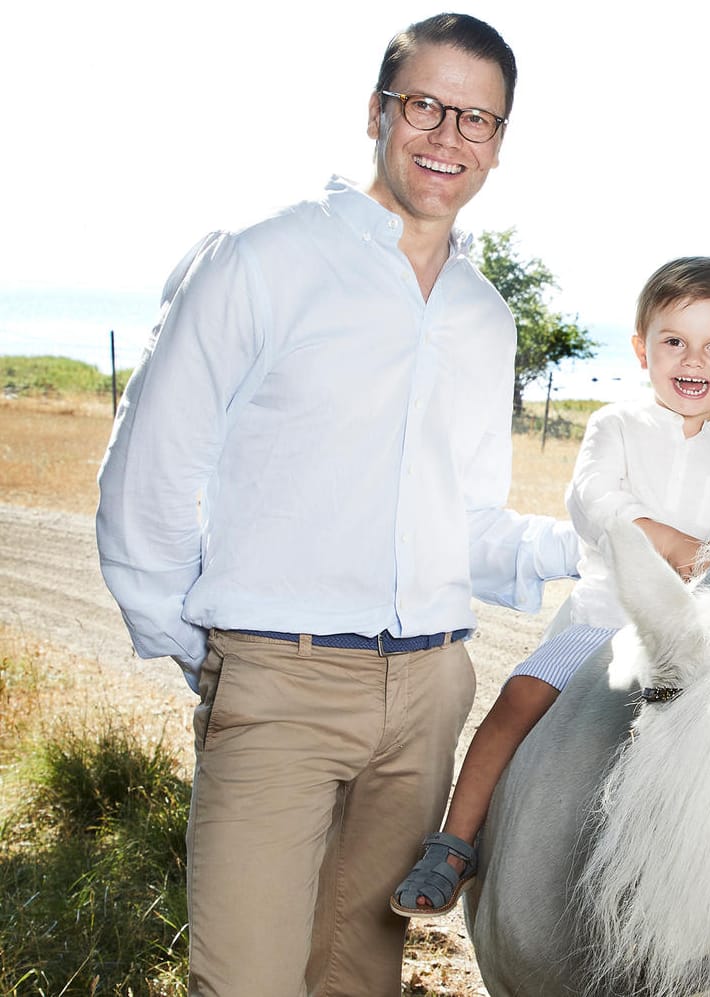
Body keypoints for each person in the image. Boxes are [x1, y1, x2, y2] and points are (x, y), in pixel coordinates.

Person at [95, 14, 577, 996]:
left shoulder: (485, 317)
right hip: (279, 681)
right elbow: (151, 469)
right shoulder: (261, 263)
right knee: (246, 982)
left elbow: (469, 526)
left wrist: (608, 542)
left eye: (476, 119)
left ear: (499, 141)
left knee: (357, 979)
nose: (448, 137)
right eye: (426, 106)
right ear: (377, 112)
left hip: (431, 690)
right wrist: (217, 654)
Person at [390, 256, 710, 916]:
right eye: (674, 341)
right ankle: (455, 842)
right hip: (604, 620)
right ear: (642, 348)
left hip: (704, 637)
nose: (693, 361)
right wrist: (676, 546)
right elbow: (596, 500)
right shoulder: (615, 427)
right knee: (518, 699)